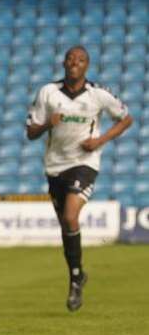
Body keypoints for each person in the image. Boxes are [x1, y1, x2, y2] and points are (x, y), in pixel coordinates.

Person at [26, 45, 133, 311]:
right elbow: (30, 132)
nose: (75, 62)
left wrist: (100, 140)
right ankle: (77, 273)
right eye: (71, 58)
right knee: (66, 224)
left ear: (87, 65)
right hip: (54, 167)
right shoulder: (48, 93)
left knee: (71, 216)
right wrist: (48, 123)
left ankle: (74, 281)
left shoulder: (98, 94)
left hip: (84, 163)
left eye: (81, 59)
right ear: (64, 63)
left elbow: (125, 118)